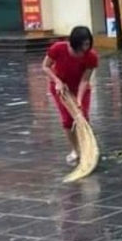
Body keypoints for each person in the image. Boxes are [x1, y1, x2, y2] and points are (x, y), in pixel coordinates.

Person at [42, 26, 99, 166]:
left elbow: (85, 80)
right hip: (61, 89)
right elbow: (45, 66)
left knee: (82, 117)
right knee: (68, 120)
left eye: (88, 44)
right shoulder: (58, 48)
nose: (86, 47)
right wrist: (57, 81)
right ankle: (75, 150)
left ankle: (87, 149)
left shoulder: (91, 57)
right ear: (75, 42)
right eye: (83, 44)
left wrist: (79, 99)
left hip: (80, 88)